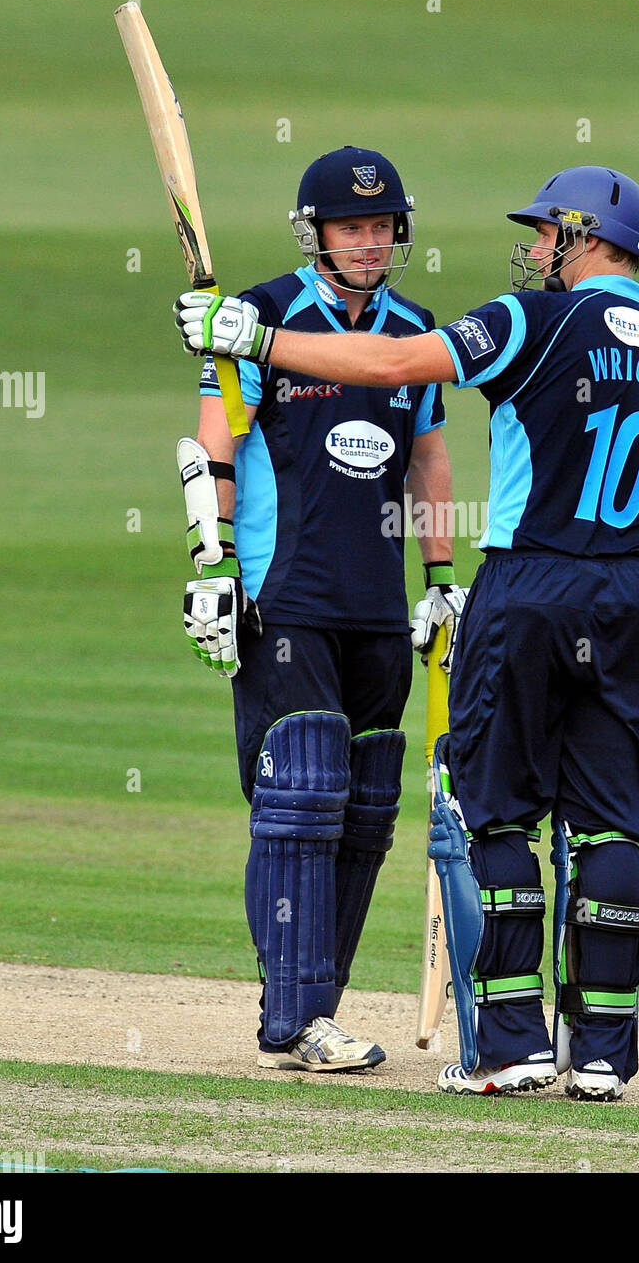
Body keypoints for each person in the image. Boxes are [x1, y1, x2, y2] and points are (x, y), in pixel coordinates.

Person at [174, 164, 639, 1101]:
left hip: (525, 582)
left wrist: (254, 337)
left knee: (496, 809)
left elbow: (393, 369)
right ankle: (601, 1056)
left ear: (584, 238)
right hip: (626, 595)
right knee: (611, 824)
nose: (536, 248)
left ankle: (511, 1046)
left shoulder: (524, 320)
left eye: (547, 234)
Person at [175, 145, 465, 1073]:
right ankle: (291, 1021)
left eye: (384, 229)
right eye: (354, 228)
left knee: (367, 809)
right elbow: (216, 440)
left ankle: (312, 1015)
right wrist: (210, 562)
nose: (372, 244)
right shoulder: (257, 317)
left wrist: (440, 578)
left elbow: (426, 459)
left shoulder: (411, 332)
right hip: (284, 593)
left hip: (378, 607)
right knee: (299, 796)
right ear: (316, 234)